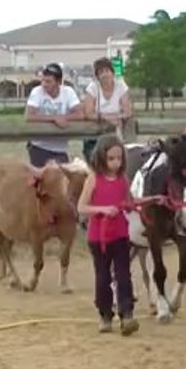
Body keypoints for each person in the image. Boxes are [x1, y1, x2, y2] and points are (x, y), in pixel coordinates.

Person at [77, 134, 140, 336]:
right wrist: (103, 210)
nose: (116, 163)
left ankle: (127, 314)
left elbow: (129, 202)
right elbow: (82, 207)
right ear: (101, 158)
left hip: (121, 234)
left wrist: (147, 202)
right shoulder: (93, 179)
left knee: (123, 274)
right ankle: (105, 314)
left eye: (119, 159)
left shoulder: (123, 180)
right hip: (99, 237)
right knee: (103, 276)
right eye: (111, 158)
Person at [25, 62, 83, 167]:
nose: (44, 84)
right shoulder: (36, 92)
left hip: (60, 148)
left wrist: (64, 118)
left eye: (48, 81)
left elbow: (80, 114)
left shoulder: (68, 92)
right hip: (39, 146)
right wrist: (54, 118)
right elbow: (29, 115)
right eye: (42, 80)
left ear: (59, 82)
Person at [81, 57, 133, 160]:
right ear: (97, 76)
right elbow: (88, 113)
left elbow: (128, 111)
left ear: (112, 73)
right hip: (95, 135)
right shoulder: (93, 87)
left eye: (107, 71)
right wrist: (107, 118)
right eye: (101, 72)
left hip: (116, 134)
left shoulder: (121, 86)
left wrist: (116, 118)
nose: (105, 74)